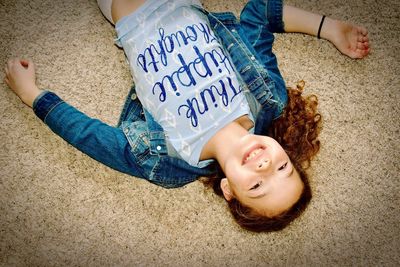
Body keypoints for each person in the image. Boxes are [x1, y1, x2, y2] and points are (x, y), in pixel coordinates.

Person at [4, 0, 369, 232]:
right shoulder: (267, 98)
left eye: (257, 186)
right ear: (286, 152)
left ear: (229, 190)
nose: (264, 168)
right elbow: (257, 14)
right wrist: (330, 29)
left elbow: (89, 137)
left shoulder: (167, 162)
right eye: (282, 168)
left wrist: (32, 95)